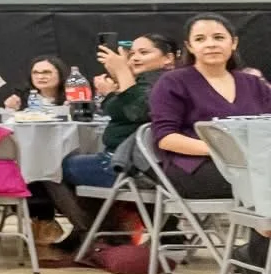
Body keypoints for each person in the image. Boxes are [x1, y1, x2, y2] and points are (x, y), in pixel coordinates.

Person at [43, 33, 178, 250]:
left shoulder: (161, 83)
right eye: (132, 53)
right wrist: (115, 87)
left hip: (131, 165)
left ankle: (91, 232)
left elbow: (138, 112)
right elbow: (117, 109)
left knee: (51, 169)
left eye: (144, 53)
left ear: (168, 58)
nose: (135, 58)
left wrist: (122, 73)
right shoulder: (143, 81)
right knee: (76, 166)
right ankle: (108, 229)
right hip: (133, 161)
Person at [148, 14, 271, 200]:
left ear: (234, 42)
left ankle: (263, 227)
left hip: (254, 164)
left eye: (219, 38)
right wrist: (226, 151)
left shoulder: (253, 83)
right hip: (195, 166)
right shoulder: (172, 82)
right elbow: (166, 138)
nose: (211, 44)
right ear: (189, 46)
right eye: (200, 39)